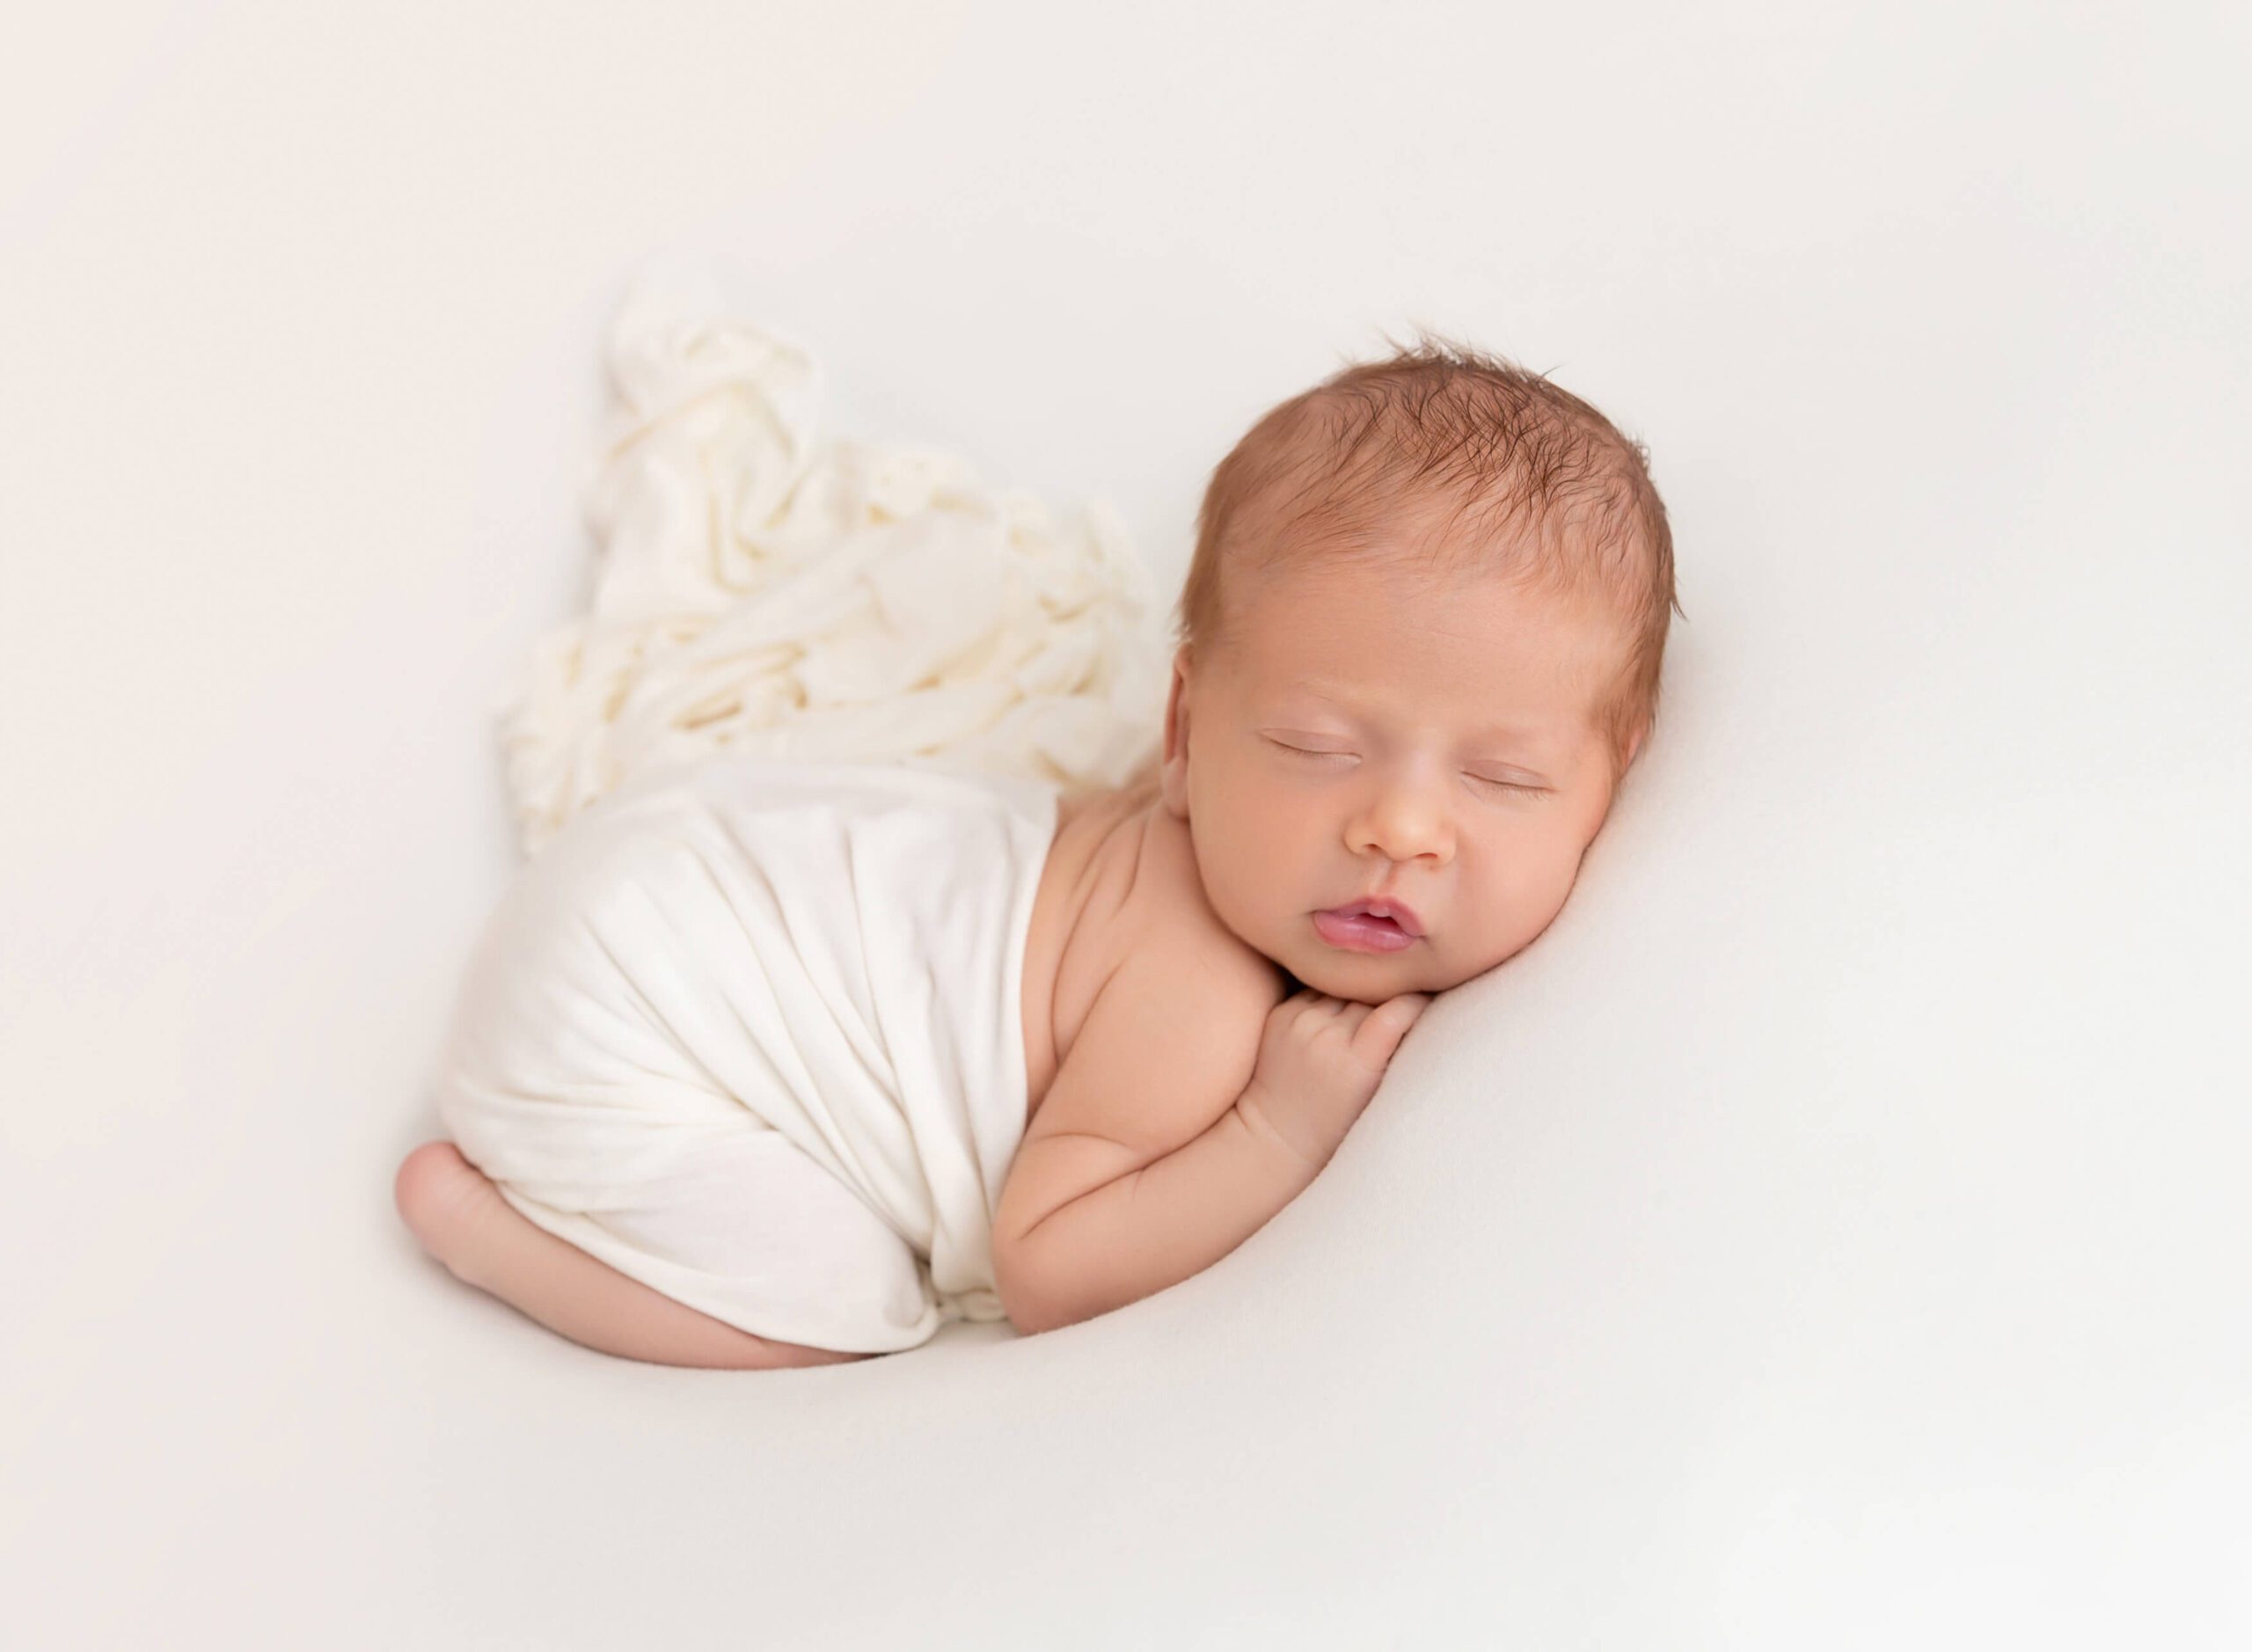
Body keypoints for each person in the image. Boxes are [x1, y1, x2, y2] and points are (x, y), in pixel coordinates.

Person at [395, 332, 1680, 1366]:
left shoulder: (1192, 837)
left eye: (1501, 776)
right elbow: (1048, 1263)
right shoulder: (1197, 989)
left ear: (1608, 786)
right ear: (1183, 735)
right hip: (628, 1027)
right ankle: (485, 1231)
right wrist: (1277, 1132)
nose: (1398, 827)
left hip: (668, 884)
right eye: (1313, 746)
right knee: (843, 1311)